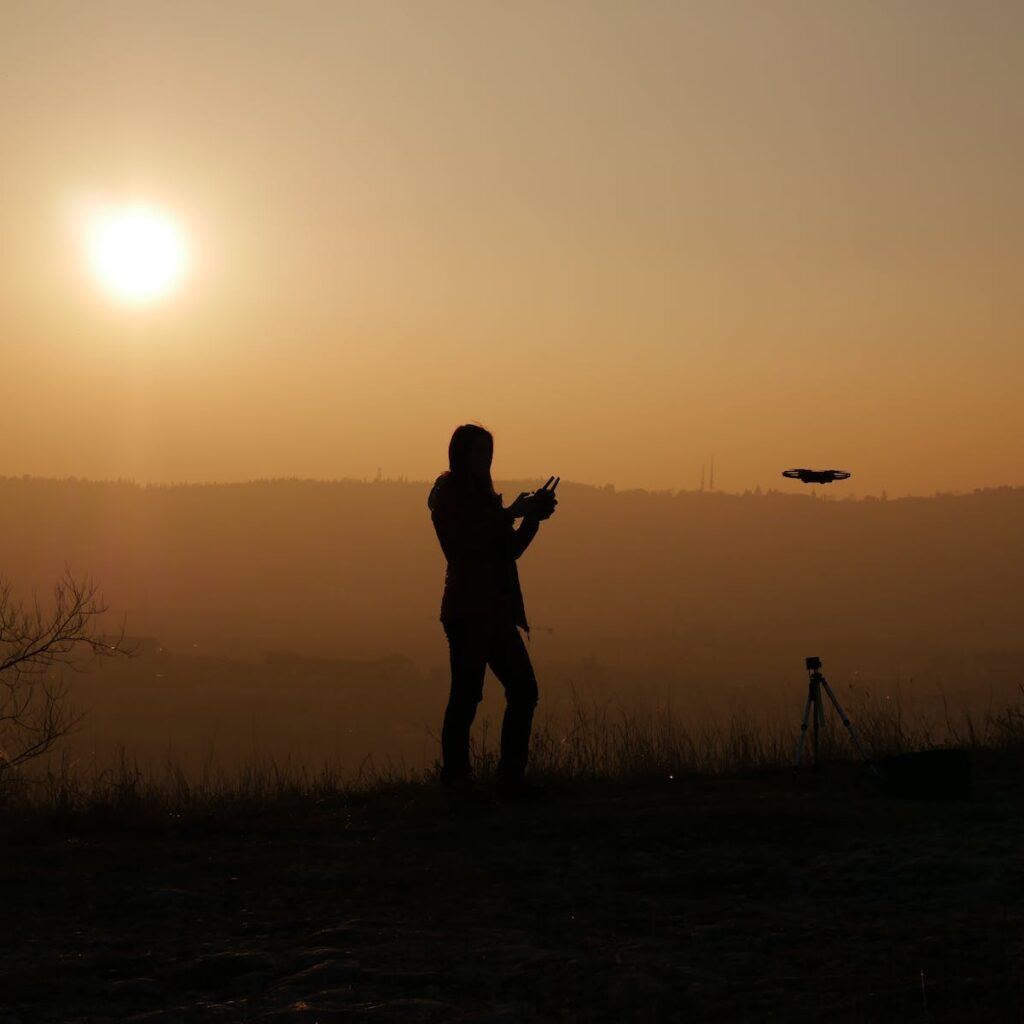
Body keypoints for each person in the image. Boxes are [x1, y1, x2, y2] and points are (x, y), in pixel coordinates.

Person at [427, 423, 557, 800]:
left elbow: (508, 550)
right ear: (461, 455)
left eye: (489, 454)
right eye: (480, 453)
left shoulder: (485, 499)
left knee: (522, 690)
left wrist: (532, 519)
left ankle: (508, 777)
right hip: (467, 612)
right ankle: (456, 778)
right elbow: (461, 544)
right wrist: (512, 512)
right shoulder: (447, 496)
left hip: (495, 611)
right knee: (468, 695)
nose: (486, 461)